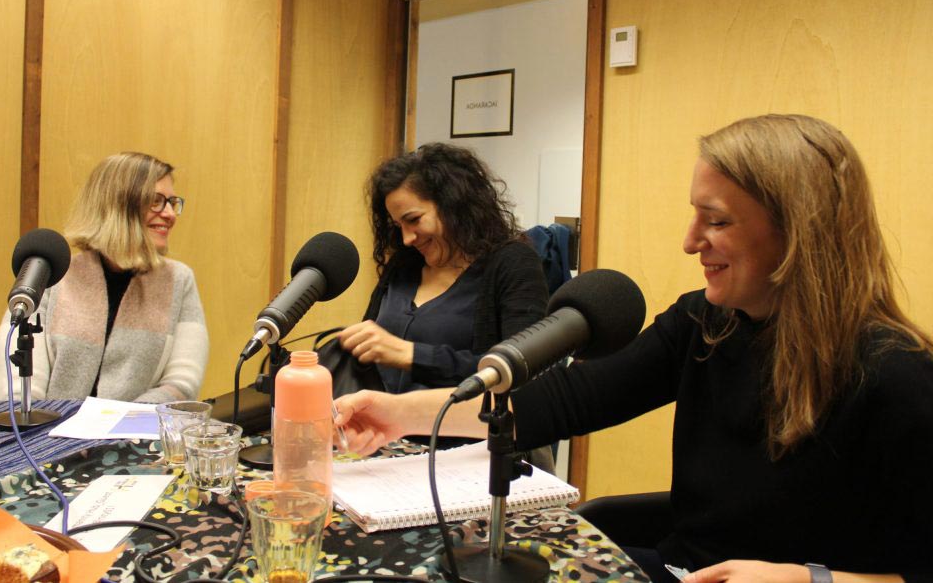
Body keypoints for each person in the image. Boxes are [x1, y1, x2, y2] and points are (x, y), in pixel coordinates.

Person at [334, 115, 933, 583]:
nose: (690, 241)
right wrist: (400, 414)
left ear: (797, 230)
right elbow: (564, 400)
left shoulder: (897, 376)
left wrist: (809, 576)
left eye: (716, 221)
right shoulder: (705, 323)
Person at [0, 152, 208, 404]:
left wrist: (119, 426)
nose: (170, 214)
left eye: (172, 202)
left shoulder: (179, 281)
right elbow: (19, 390)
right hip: (42, 435)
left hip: (129, 436)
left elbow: (182, 383)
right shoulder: (53, 275)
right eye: (156, 201)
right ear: (116, 204)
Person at [337, 142, 549, 394]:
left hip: (460, 431)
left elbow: (520, 373)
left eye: (413, 220)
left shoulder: (512, 263)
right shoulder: (403, 265)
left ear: (453, 205)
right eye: (397, 226)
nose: (406, 239)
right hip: (383, 430)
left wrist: (411, 355)